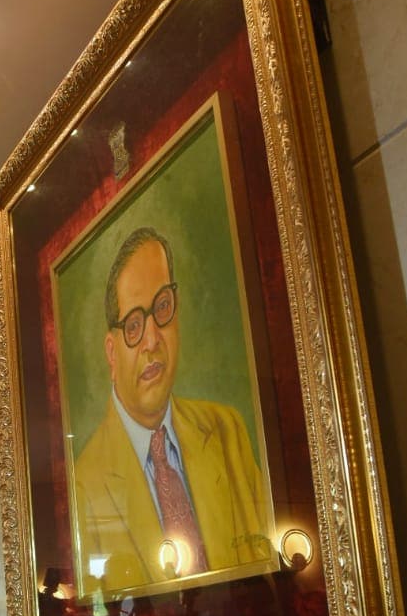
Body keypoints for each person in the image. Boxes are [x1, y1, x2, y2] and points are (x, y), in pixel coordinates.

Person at [74, 226, 271, 595]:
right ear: (112, 353)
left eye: (162, 307)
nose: (152, 340)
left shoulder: (228, 431)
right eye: (133, 325)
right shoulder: (83, 484)